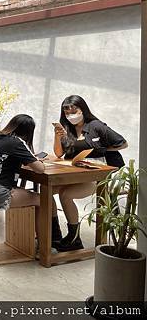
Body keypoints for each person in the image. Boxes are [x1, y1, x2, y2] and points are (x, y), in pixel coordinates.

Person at [52, 95, 127, 251]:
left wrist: (103, 149)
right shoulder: (67, 129)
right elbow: (58, 154)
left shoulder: (96, 126)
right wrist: (57, 135)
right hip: (74, 173)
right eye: (67, 113)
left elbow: (123, 143)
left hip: (96, 177)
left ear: (83, 110)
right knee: (47, 190)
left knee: (65, 195)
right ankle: (54, 234)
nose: (71, 115)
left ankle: (74, 239)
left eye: (74, 111)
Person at [0, 114, 45, 237]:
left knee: (23, 192)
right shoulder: (17, 142)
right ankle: (44, 242)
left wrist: (28, 159)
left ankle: (34, 237)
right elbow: (40, 169)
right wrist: (36, 161)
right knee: (42, 200)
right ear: (28, 132)